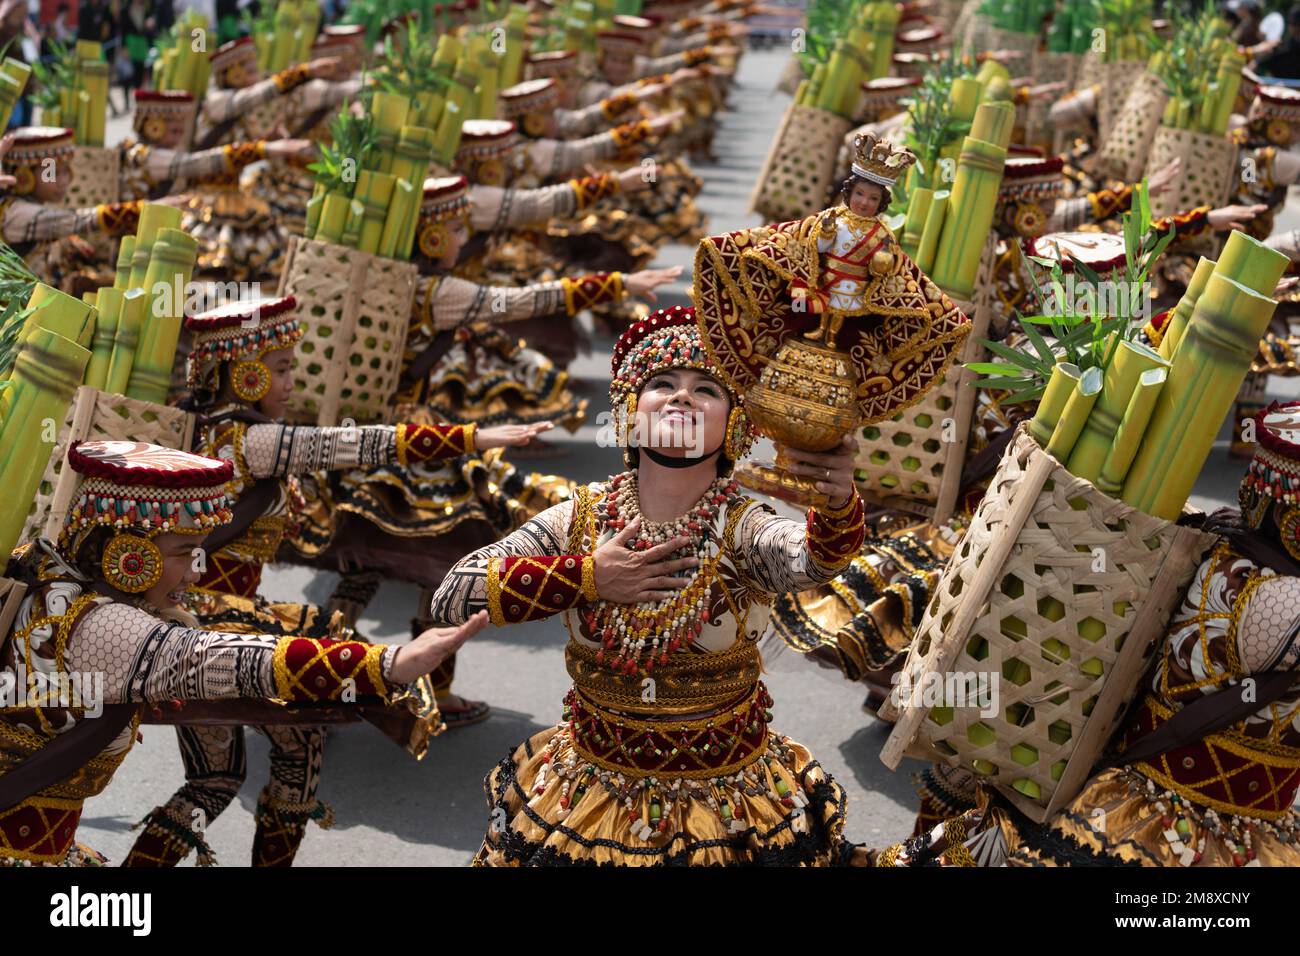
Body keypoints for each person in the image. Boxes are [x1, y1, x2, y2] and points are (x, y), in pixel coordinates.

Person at [427, 305, 870, 866]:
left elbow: (810, 562)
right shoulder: (579, 519)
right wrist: (587, 576)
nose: (682, 397)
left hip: (726, 796)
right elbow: (453, 594)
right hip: (589, 787)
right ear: (630, 413)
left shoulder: (743, 526)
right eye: (662, 382)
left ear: (734, 423)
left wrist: (836, 506)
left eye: (706, 388)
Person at [121, 294, 543, 866]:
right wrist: (475, 438)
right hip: (214, 626)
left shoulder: (188, 426)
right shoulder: (255, 442)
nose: (293, 380)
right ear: (243, 373)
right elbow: (357, 444)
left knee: (215, 779)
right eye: (281, 369)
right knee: (297, 753)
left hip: (179, 624)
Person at [0, 439, 484, 866]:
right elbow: (226, 660)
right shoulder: (107, 627)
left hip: (38, 844)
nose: (195, 572)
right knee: (223, 777)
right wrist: (385, 664)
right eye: (182, 551)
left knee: (220, 778)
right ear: (129, 555)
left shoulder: (58, 584)